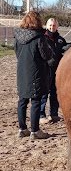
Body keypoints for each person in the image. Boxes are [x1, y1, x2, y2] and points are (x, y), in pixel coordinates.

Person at [14, 11, 53, 140]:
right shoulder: (39, 37)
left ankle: (22, 128)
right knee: (35, 100)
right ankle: (35, 130)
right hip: (36, 72)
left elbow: (17, 53)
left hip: (22, 71)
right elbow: (46, 55)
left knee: (22, 100)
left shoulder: (17, 37)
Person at [40, 17, 67, 123]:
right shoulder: (43, 38)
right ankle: (41, 115)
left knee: (54, 92)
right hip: (46, 69)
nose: (52, 27)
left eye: (54, 25)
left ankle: (54, 114)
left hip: (57, 69)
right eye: (50, 25)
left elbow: (64, 48)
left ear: (57, 26)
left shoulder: (60, 39)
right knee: (44, 92)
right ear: (47, 26)